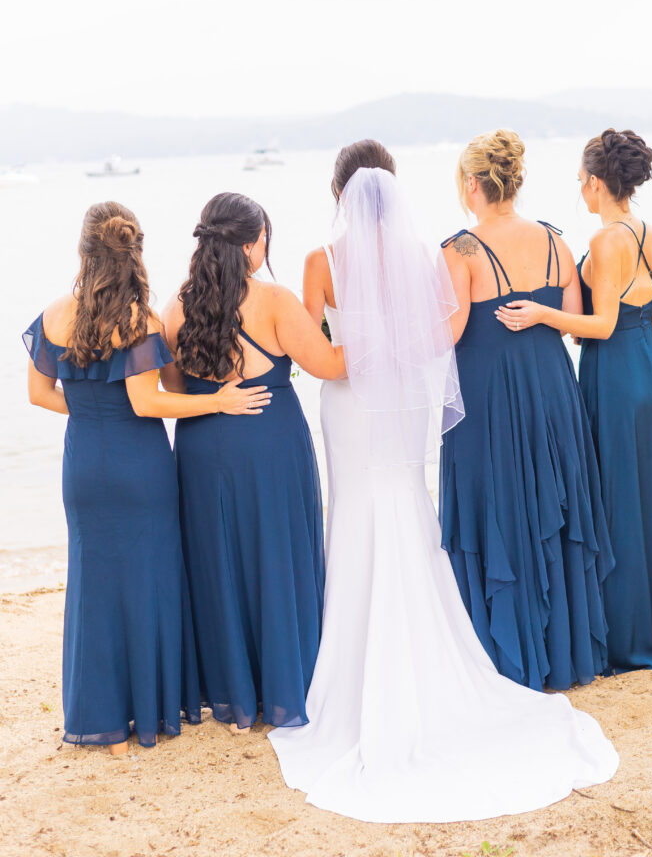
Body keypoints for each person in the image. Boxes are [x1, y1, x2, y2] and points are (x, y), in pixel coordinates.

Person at [268, 143, 618, 824]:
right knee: (409, 501)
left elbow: (315, 352)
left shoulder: (320, 261)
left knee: (356, 510)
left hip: (350, 403)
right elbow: (439, 335)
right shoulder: (426, 255)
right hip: (402, 404)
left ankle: (353, 646)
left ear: (338, 192)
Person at [23, 201, 265, 754]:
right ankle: (146, 714)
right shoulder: (140, 320)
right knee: (149, 582)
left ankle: (99, 721)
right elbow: (149, 401)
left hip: (84, 463)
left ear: (84, 251)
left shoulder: (55, 313)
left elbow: (38, 395)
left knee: (95, 587)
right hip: (139, 467)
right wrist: (219, 402)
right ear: (134, 253)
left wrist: (90, 414)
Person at [497, 129, 652, 674]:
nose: (580, 191)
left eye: (580, 181)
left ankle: (628, 639)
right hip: (648, 368)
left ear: (594, 182)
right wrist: (631, 336)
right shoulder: (651, 233)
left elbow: (602, 321)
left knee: (618, 499)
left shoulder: (609, 240)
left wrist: (545, 316)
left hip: (613, 375)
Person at [162, 192, 345, 734]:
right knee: (277, 556)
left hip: (199, 450)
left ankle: (231, 691)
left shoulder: (176, 307)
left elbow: (172, 386)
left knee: (216, 562)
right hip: (268, 444)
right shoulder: (274, 301)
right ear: (249, 244)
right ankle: (287, 684)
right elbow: (330, 366)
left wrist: (214, 394)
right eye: (265, 235)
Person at [439, 129, 614, 691]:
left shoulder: (460, 248)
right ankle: (563, 653)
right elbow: (573, 321)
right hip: (551, 390)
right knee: (549, 504)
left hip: (489, 397)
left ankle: (506, 654)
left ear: (472, 184)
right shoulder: (556, 240)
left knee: (498, 504)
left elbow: (451, 331)